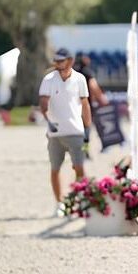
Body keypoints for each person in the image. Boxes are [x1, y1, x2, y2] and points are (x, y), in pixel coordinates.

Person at [39, 47, 91, 217]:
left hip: (75, 130)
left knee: (79, 167)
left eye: (61, 60)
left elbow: (85, 105)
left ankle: (81, 199)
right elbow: (43, 103)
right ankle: (59, 203)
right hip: (55, 133)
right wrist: (48, 120)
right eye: (56, 61)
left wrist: (88, 128)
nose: (57, 64)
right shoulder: (48, 79)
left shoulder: (80, 79)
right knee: (55, 168)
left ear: (70, 61)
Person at [73, 52, 108, 155]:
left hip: (73, 105)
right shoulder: (88, 73)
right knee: (86, 129)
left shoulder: (72, 73)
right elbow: (94, 87)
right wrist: (102, 99)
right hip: (85, 105)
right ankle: (85, 150)